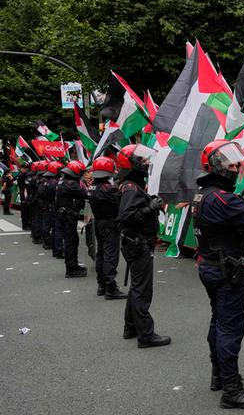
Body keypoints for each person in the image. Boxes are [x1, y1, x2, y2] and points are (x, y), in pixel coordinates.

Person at [192, 139, 244, 409]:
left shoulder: (204, 194)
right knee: (230, 328)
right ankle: (231, 388)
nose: (237, 166)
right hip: (227, 270)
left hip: (210, 265)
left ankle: (220, 374)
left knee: (218, 322)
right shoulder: (222, 198)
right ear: (216, 166)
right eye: (231, 162)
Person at [116, 144, 171, 349]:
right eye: (142, 160)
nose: (146, 163)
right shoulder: (131, 187)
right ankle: (146, 335)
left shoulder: (131, 185)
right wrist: (150, 207)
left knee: (137, 287)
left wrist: (149, 202)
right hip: (138, 244)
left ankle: (130, 327)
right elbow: (127, 216)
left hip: (136, 243)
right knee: (142, 290)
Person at [88, 157, 127, 299]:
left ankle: (102, 285)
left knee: (101, 254)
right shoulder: (108, 189)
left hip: (99, 223)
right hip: (110, 224)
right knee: (110, 256)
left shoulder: (92, 187)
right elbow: (121, 200)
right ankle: (111, 288)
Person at [56, 161, 88, 277]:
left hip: (65, 215)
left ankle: (73, 265)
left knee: (72, 241)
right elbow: (85, 194)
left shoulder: (64, 181)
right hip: (68, 216)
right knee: (71, 242)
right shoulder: (71, 184)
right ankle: (71, 269)